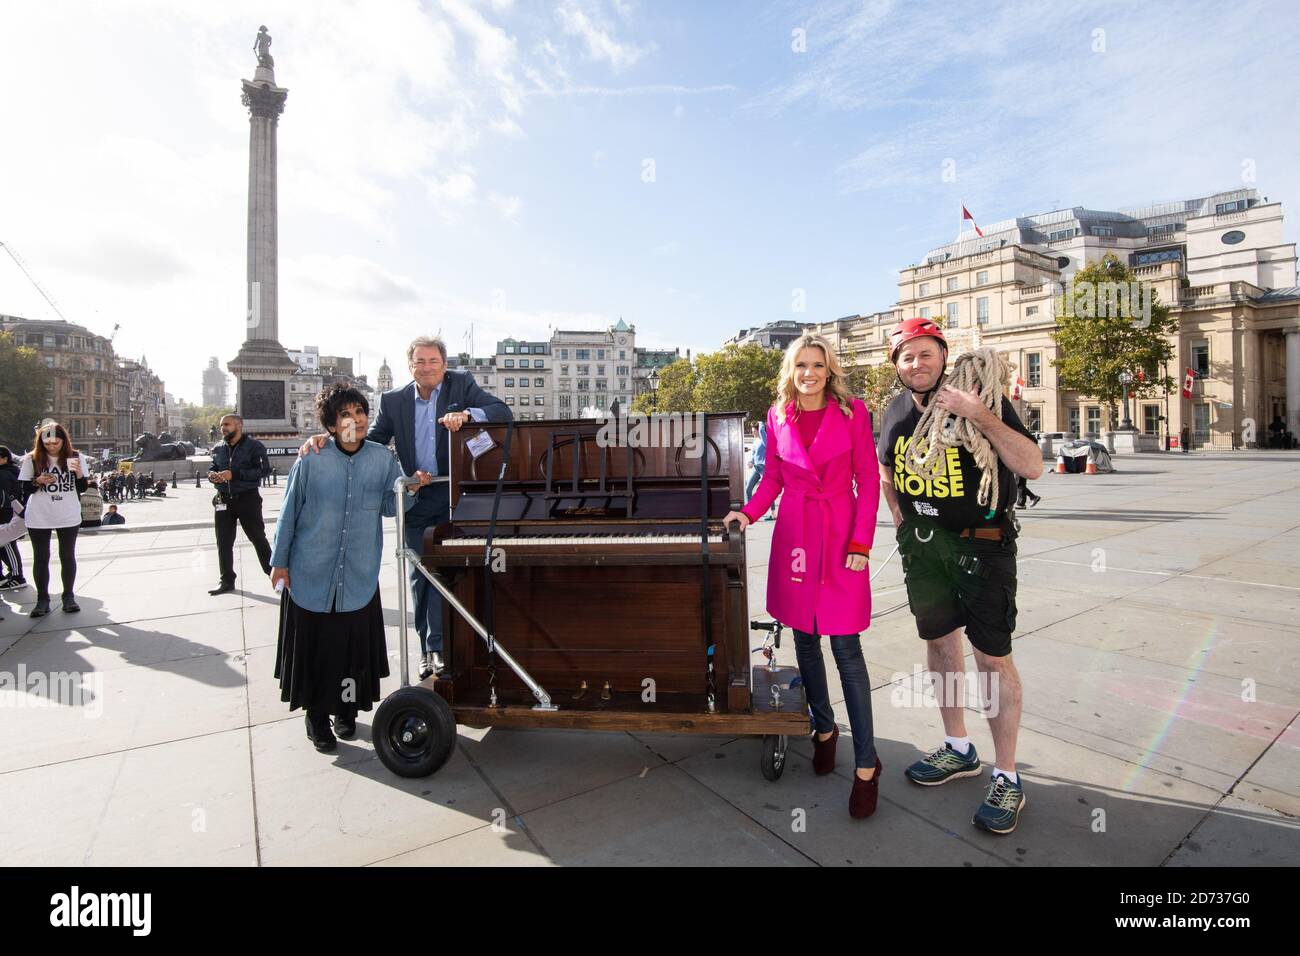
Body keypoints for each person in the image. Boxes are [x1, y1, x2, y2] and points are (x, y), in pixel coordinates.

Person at [877, 318, 1042, 835]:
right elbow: (887, 471)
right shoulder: (895, 412)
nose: (916, 364)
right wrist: (903, 523)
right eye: (906, 357)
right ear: (897, 366)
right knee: (940, 646)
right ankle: (957, 747)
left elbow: (1032, 465)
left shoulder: (980, 399)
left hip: (983, 548)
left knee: (992, 658)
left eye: (925, 354)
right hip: (926, 552)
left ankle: (1007, 776)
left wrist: (982, 416)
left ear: (943, 356)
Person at [722, 333, 882, 819]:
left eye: (817, 364)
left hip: (839, 536)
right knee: (805, 641)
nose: (809, 372)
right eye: (800, 365)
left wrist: (860, 543)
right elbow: (771, 477)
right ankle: (824, 728)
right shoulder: (777, 416)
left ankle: (867, 766)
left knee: (846, 649)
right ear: (791, 371)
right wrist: (746, 514)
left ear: (829, 369)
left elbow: (869, 480)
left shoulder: (854, 412)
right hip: (794, 535)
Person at [301, 335, 512, 680]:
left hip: (455, 500)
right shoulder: (394, 400)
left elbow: (501, 412)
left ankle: (449, 648)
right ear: (409, 366)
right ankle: (429, 650)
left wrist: (467, 414)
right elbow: (373, 440)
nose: (426, 367)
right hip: (416, 498)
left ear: (444, 365)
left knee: (453, 574)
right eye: (419, 362)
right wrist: (331, 439)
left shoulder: (463, 384)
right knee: (421, 575)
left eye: (433, 361)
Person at [272, 383, 421, 752]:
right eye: (345, 415)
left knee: (350, 650)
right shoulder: (311, 459)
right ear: (331, 425)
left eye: (360, 413)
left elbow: (392, 507)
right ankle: (317, 718)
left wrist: (411, 489)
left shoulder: (382, 459)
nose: (355, 420)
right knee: (317, 651)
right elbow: (289, 512)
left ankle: (346, 712)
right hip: (311, 571)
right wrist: (280, 561)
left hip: (357, 574)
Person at [18, 422, 88, 616]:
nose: (51, 447)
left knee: (67, 556)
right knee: (41, 557)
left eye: (55, 443)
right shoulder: (32, 459)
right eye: (47, 443)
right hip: (39, 515)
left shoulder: (76, 457)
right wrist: (37, 481)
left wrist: (80, 474)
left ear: (63, 441)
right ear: (41, 442)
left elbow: (82, 487)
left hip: (68, 514)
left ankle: (68, 596)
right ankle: (42, 600)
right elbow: (24, 490)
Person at [208, 414, 274, 595]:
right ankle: (226, 580)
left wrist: (234, 474)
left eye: (227, 424)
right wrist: (212, 474)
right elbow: (213, 466)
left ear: (239, 425)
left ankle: (274, 576)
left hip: (247, 499)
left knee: (258, 538)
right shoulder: (218, 448)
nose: (223, 428)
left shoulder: (254, 446)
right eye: (222, 425)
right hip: (223, 499)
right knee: (223, 541)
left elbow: (263, 470)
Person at [0, 445, 25, 588]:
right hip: (16, 513)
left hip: (9, 515)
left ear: (4, 458)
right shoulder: (13, 471)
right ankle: (13, 574)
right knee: (6, 544)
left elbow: (4, 496)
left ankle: (17, 576)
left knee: (7, 544)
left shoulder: (3, 474)